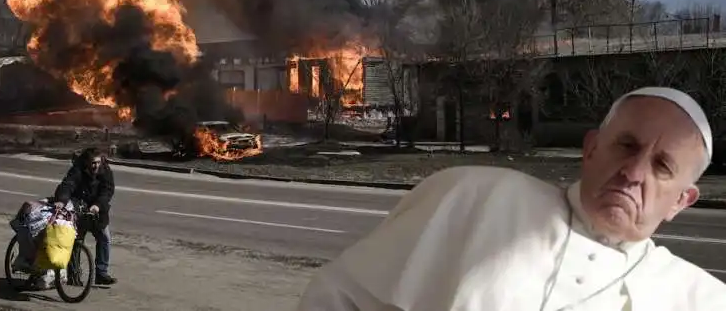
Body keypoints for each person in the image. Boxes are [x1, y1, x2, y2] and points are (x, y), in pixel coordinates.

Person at [296, 86, 726, 310]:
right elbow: (339, 299)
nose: (634, 174)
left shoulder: (702, 300)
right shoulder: (475, 198)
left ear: (682, 201)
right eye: (626, 146)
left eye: (662, 167)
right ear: (591, 147)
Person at [52, 147, 117, 286]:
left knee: (104, 238)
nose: (96, 166)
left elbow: (108, 190)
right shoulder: (78, 169)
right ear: (87, 162)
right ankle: (74, 274)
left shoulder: (105, 170)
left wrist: (98, 205)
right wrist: (62, 200)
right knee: (77, 241)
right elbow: (68, 184)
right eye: (93, 163)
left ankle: (101, 273)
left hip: (98, 211)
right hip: (79, 207)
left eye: (98, 162)